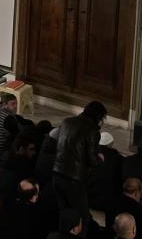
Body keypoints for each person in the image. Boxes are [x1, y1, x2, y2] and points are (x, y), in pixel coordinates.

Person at [53, 101, 107, 238]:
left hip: (57, 173)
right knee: (82, 218)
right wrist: (100, 158)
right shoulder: (92, 131)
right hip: (74, 180)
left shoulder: (66, 122)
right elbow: (92, 160)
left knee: (65, 215)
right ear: (98, 117)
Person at [87, 131, 124, 211]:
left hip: (90, 199)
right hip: (109, 202)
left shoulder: (90, 155)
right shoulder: (117, 158)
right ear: (110, 144)